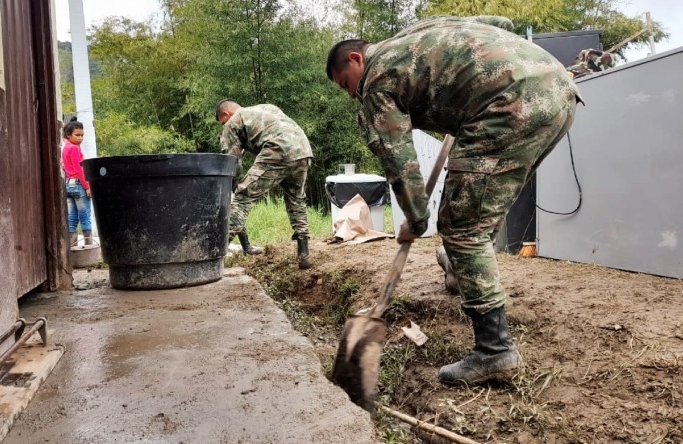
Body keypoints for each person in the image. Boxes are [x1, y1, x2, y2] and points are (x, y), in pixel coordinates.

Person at [326, 15, 581, 385]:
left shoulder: (377, 80)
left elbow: (398, 161)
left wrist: (414, 221)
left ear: (355, 59)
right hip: (557, 91)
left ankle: (495, 352)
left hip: (507, 107)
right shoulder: (419, 33)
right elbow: (499, 20)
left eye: (345, 84)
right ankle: (457, 270)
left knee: (462, 227)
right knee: (479, 209)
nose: (351, 93)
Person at [216, 100, 314, 269]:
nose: (224, 125)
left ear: (226, 114)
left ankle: (216, 252)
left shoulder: (232, 122)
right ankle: (303, 253)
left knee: (243, 197)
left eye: (222, 122)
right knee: (297, 200)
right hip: (303, 150)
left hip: (278, 150)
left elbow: (231, 163)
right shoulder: (266, 108)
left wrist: (229, 185)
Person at [61, 119, 93, 248]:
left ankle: (72, 248)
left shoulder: (65, 147)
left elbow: (65, 167)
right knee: (85, 216)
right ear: (69, 135)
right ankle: (89, 247)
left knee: (72, 218)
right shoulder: (74, 148)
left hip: (69, 184)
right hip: (79, 184)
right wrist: (87, 186)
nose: (80, 138)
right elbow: (79, 169)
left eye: (82, 135)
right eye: (77, 135)